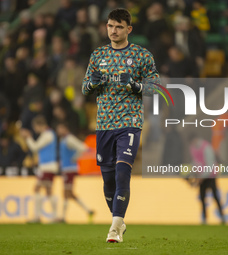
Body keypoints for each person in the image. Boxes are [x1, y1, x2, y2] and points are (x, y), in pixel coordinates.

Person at [82, 8, 160, 243]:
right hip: (104, 124)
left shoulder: (141, 55)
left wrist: (135, 86)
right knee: (108, 183)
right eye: (110, 26)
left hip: (130, 123)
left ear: (129, 29)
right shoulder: (98, 55)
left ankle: (114, 228)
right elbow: (85, 88)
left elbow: (156, 88)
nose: (113, 31)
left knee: (123, 171)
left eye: (118, 26)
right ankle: (120, 220)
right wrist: (91, 84)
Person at [20, 115, 58, 223]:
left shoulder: (47, 134)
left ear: (39, 125)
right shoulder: (49, 134)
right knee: (48, 191)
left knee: (37, 189)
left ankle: (37, 217)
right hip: (49, 166)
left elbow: (35, 147)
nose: (35, 129)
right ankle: (54, 217)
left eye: (35, 127)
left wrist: (28, 137)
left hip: (47, 167)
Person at [56, 122, 94, 223]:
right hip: (67, 169)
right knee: (70, 193)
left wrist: (74, 158)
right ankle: (88, 210)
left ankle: (63, 217)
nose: (58, 131)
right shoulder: (63, 139)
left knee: (66, 192)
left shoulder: (69, 139)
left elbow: (83, 148)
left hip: (70, 169)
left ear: (65, 128)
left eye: (60, 128)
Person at [188, 133, 225, 225]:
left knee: (215, 197)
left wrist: (202, 177)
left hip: (211, 176)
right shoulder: (192, 148)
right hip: (202, 176)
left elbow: (210, 164)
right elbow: (195, 161)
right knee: (202, 197)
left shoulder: (206, 147)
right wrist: (193, 171)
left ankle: (222, 216)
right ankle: (204, 218)